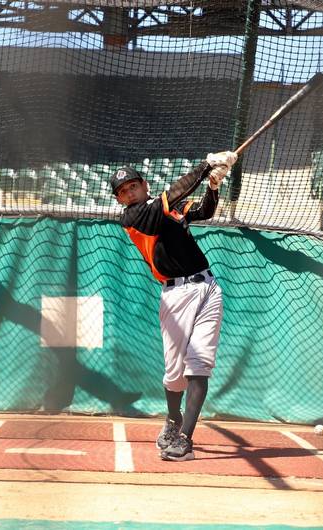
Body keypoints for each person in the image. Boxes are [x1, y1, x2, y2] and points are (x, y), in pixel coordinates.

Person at [109, 151, 238, 461]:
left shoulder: (169, 207)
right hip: (175, 295)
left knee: (200, 365)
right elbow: (171, 195)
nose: (129, 192)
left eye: (133, 186)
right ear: (121, 200)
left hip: (208, 287)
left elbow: (204, 211)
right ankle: (172, 418)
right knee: (174, 372)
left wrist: (214, 183)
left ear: (144, 184)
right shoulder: (135, 216)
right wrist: (206, 164)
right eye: (123, 191)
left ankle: (185, 438)